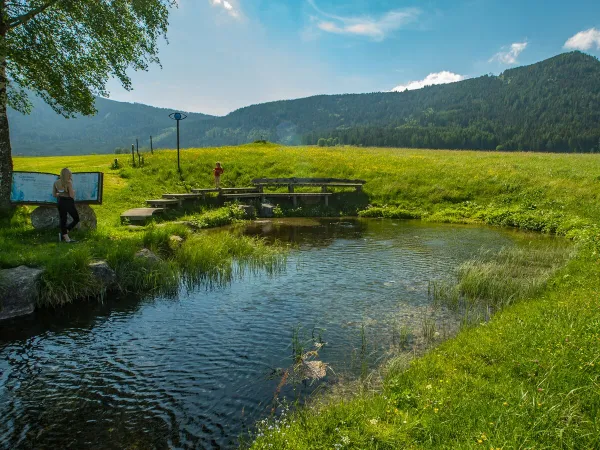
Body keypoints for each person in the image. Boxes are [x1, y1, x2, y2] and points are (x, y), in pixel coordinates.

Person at [52, 168, 80, 243]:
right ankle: (66, 233)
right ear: (68, 175)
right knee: (76, 218)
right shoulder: (68, 183)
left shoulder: (56, 182)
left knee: (63, 219)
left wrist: (61, 193)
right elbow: (71, 195)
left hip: (60, 202)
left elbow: (54, 194)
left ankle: (64, 235)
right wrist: (74, 192)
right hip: (68, 202)